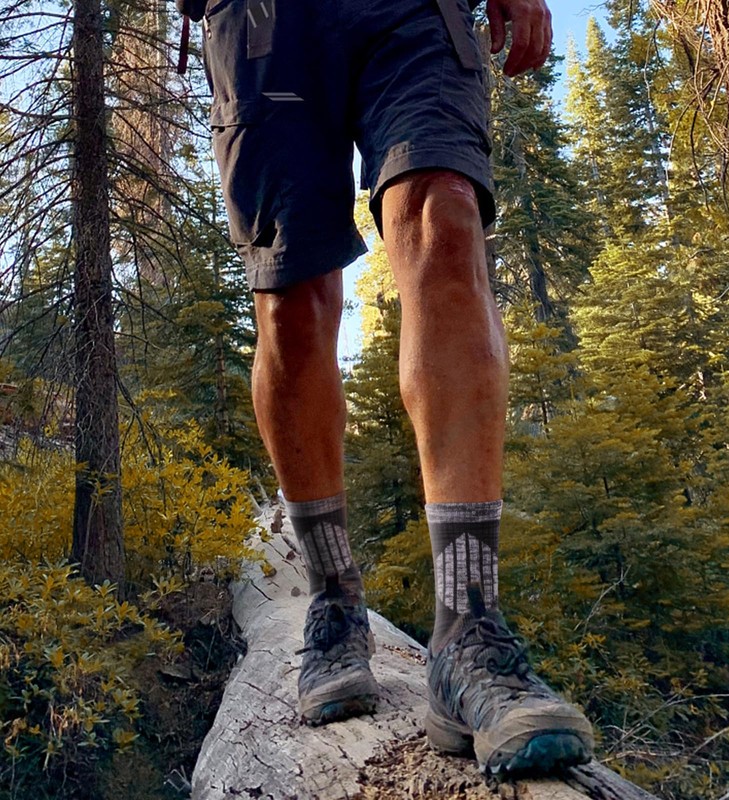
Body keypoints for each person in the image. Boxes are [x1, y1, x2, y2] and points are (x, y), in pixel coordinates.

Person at [196, 0, 594, 777]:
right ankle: (334, 598)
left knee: (446, 217)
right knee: (291, 300)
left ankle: (469, 629)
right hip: (264, 18)